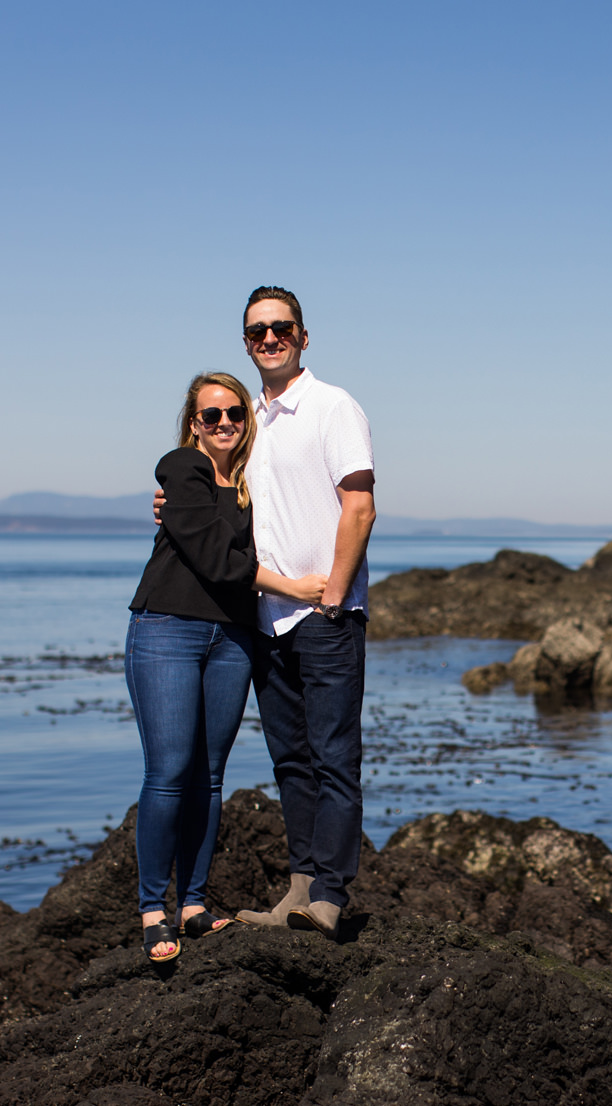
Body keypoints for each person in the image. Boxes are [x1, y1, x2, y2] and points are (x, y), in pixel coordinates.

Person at [126, 371, 327, 963]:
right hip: (167, 627)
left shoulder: (247, 485)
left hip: (233, 638)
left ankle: (191, 903)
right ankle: (151, 910)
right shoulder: (181, 468)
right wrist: (292, 586)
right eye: (210, 415)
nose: (223, 425)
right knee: (168, 772)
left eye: (234, 415)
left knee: (210, 776)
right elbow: (216, 560)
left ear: (247, 422)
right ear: (193, 423)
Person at [232, 286, 376, 940]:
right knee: (290, 759)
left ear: (303, 336)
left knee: (333, 755)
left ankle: (330, 896)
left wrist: (335, 596)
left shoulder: (332, 406)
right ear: (246, 342)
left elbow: (360, 505)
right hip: (266, 621)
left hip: (325, 620)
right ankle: (299, 890)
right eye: (258, 331)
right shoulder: (249, 423)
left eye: (280, 327)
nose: (270, 338)